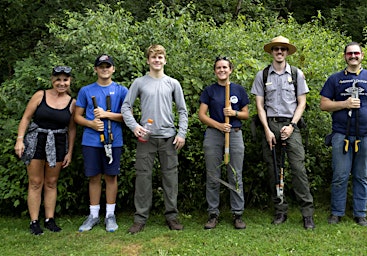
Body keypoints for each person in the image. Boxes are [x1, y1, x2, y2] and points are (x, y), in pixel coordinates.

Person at [121, 44, 188, 234]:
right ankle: (140, 218)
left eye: (160, 57)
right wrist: (134, 126)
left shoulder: (173, 83)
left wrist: (181, 133)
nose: (157, 60)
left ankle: (172, 217)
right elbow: (126, 107)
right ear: (148, 60)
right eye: (153, 57)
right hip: (146, 139)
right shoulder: (139, 83)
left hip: (169, 139)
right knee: (143, 179)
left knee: (170, 179)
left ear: (165, 60)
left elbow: (183, 111)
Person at [319, 42, 367, 226]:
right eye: (349, 53)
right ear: (344, 57)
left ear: (362, 55)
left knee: (361, 176)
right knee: (340, 175)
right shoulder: (335, 79)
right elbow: (324, 104)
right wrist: (344, 104)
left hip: (365, 135)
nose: (353, 56)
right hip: (341, 134)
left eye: (356, 53)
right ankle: (336, 212)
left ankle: (360, 213)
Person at [251, 36, 315, 229]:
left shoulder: (296, 74)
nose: (279, 52)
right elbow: (260, 106)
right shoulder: (262, 75)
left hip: (291, 126)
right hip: (270, 125)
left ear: (287, 52)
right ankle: (280, 210)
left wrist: (292, 125)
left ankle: (307, 213)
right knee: (274, 170)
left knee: (298, 169)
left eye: (283, 49)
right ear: (271, 51)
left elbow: (302, 102)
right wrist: (267, 130)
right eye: (276, 49)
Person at [14, 66, 76, 235]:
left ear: (69, 82)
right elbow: (26, 117)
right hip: (36, 141)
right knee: (35, 182)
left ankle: (50, 219)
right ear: (52, 80)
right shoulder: (40, 95)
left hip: (58, 143)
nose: (61, 83)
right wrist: (20, 140)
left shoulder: (72, 103)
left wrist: (69, 152)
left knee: (51, 182)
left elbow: (71, 129)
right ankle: (34, 221)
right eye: (58, 79)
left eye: (65, 80)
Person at [74, 54, 128, 232]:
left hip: (114, 140)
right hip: (91, 141)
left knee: (111, 177)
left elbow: (128, 117)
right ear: (96, 69)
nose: (105, 69)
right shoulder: (86, 91)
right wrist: (90, 123)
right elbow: (77, 116)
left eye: (108, 66)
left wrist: (106, 115)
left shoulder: (122, 91)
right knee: (94, 177)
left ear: (113, 69)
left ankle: (110, 215)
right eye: (101, 66)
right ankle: (94, 215)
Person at [198, 57, 249, 230]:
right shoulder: (209, 91)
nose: (222, 70)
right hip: (214, 134)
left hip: (234, 134)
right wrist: (219, 125)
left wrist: (233, 113)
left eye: (225, 67)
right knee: (213, 175)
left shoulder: (238, 90)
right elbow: (202, 115)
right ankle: (213, 213)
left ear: (230, 70)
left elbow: (246, 114)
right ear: (215, 71)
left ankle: (238, 214)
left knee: (235, 174)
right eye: (218, 67)